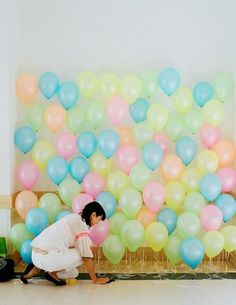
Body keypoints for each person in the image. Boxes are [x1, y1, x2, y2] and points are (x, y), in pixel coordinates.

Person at [20, 201, 110, 285]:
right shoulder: (81, 226)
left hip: (36, 255)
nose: (97, 223)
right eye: (99, 219)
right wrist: (95, 279)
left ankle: (37, 270)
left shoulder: (73, 217)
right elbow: (86, 257)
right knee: (86, 250)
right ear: (93, 215)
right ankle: (51, 271)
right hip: (47, 258)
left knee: (73, 273)